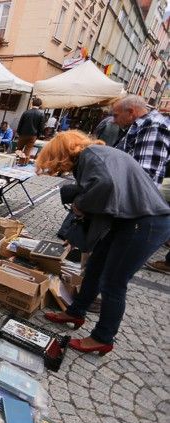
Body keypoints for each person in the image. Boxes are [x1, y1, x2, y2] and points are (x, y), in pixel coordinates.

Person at [37, 131, 170, 355]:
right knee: (95, 267)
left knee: (113, 282)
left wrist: (80, 204)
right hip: (130, 220)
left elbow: (105, 185)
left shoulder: (91, 156)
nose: (62, 169)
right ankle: (76, 312)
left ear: (62, 153)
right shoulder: (98, 154)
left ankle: (103, 337)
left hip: (145, 222)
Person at [112, 95, 170, 185]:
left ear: (130, 112)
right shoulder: (142, 125)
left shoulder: (152, 126)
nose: (113, 121)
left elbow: (143, 179)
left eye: (116, 116)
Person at [16, 97, 46, 162]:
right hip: (33, 135)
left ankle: (15, 161)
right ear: (40, 105)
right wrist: (38, 135)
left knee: (19, 149)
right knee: (28, 150)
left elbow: (20, 123)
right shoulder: (41, 114)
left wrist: (18, 132)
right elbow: (41, 127)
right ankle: (23, 162)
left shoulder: (26, 112)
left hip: (23, 133)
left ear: (32, 103)